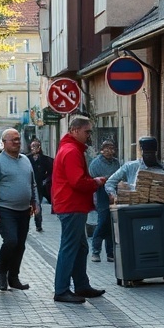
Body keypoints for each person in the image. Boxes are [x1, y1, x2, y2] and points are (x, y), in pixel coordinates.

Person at [51, 115, 106, 304]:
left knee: (81, 247)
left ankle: (81, 285)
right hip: (71, 205)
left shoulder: (69, 148)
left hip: (71, 205)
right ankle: (62, 290)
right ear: (75, 131)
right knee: (70, 247)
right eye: (87, 131)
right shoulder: (71, 150)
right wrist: (96, 182)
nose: (89, 135)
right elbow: (77, 182)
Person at [0, 128, 38, 292]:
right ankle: (2, 272)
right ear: (4, 143)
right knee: (11, 241)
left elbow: (32, 184)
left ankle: (13, 277)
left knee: (20, 245)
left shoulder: (25, 160)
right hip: (6, 210)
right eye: (12, 140)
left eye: (18, 139)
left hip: (24, 210)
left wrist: (35, 202)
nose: (17, 142)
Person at [104, 136, 164, 204]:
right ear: (141, 152)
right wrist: (114, 196)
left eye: (151, 153)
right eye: (146, 153)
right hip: (135, 208)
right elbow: (110, 182)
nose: (148, 156)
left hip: (156, 209)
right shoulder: (130, 166)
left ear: (155, 153)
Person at [88, 140, 120, 263]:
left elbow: (119, 176)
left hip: (114, 194)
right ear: (102, 150)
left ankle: (110, 252)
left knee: (111, 224)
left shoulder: (116, 163)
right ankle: (96, 251)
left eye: (112, 148)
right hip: (101, 194)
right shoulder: (95, 163)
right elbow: (93, 179)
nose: (109, 151)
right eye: (106, 148)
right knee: (102, 222)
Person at [27, 140, 54, 231]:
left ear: (39, 147)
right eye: (32, 146)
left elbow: (51, 171)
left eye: (36, 146)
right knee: (27, 206)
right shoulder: (27, 159)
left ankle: (38, 224)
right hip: (27, 185)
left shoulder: (45, 159)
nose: (34, 148)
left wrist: (45, 180)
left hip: (39, 186)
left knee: (37, 205)